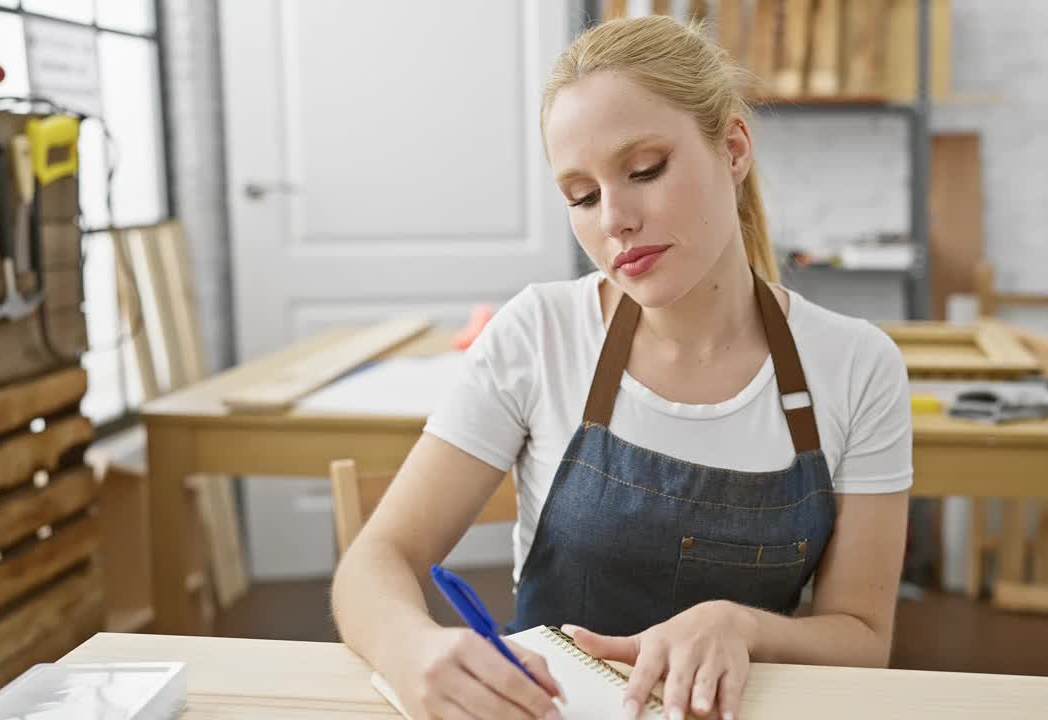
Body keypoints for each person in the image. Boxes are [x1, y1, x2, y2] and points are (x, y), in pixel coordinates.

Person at [332, 15, 912, 720]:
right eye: (581, 196)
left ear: (732, 149)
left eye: (644, 171)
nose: (614, 219)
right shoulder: (539, 334)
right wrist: (410, 649)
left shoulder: (858, 367)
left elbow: (862, 639)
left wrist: (742, 625)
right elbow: (374, 561)